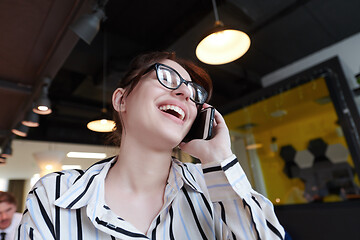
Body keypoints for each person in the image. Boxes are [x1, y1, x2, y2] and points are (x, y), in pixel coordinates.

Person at [16, 51, 285, 239]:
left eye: (194, 94)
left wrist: (219, 157)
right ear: (121, 99)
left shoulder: (214, 187)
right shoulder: (54, 195)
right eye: (167, 78)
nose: (184, 93)